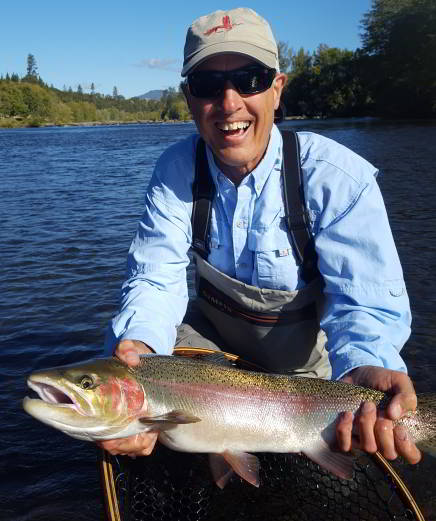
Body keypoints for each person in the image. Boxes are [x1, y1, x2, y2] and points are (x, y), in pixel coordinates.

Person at [100, 7, 421, 467]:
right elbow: (155, 279)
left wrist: (366, 364)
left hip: (307, 378)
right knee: (131, 383)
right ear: (189, 98)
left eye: (249, 79)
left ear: (276, 89)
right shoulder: (175, 171)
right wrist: (141, 351)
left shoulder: (336, 177)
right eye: (208, 85)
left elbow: (363, 302)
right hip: (210, 365)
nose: (228, 103)